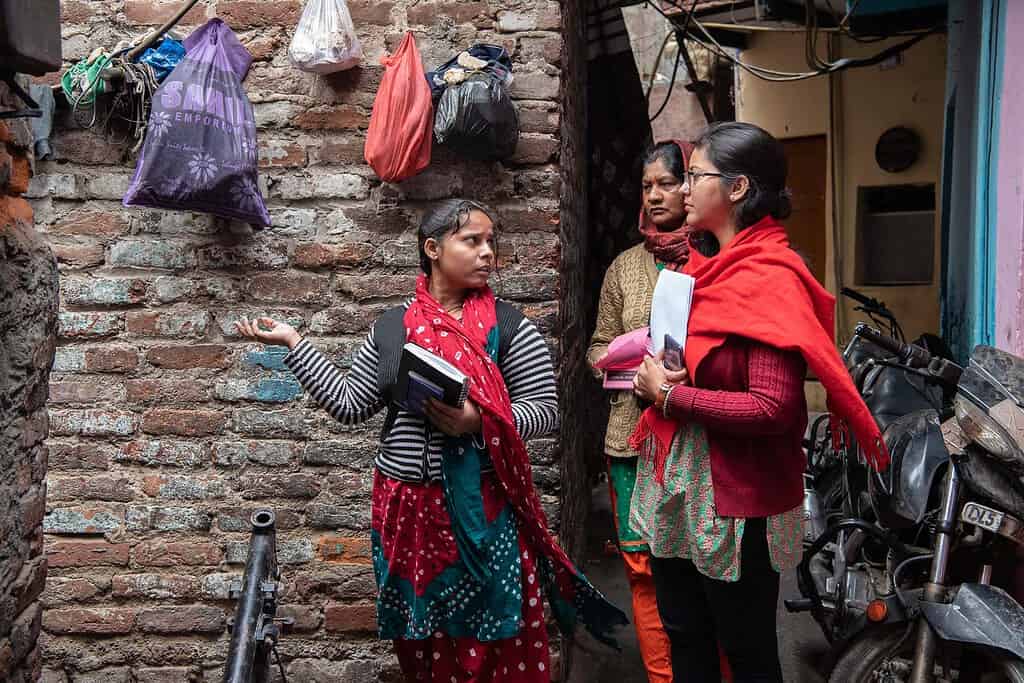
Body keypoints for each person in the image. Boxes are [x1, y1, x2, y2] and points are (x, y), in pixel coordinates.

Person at [235, 199, 625, 682]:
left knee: (493, 636)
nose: (488, 252)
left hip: (482, 509)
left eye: (491, 242)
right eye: (472, 241)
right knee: (421, 641)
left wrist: (477, 421)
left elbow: (545, 411)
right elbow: (349, 404)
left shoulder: (508, 327)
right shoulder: (391, 328)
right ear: (433, 249)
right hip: (407, 512)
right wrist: (295, 344)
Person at [628, 122, 888, 683]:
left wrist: (672, 396)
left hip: (735, 498)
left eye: (695, 176)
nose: (683, 189)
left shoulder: (771, 278)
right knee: (685, 633)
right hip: (682, 485)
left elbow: (773, 409)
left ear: (738, 187)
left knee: (746, 650)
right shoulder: (700, 267)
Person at [586, 140, 696, 683]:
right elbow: (596, 345)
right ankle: (662, 676)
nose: (654, 195)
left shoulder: (713, 260)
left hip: (695, 437)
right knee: (643, 566)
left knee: (699, 565)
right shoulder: (624, 268)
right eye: (647, 185)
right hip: (630, 438)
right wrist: (613, 361)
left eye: (666, 183)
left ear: (689, 186)